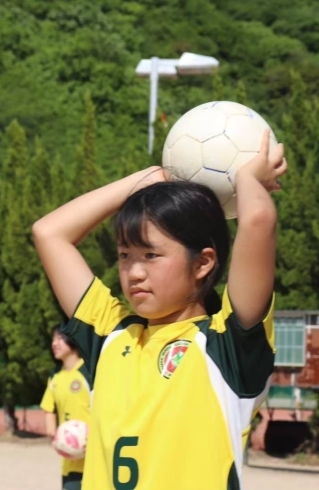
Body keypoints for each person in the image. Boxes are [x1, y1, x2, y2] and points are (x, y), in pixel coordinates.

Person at [32, 130, 286, 490]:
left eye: (151, 255)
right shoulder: (110, 334)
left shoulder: (227, 346)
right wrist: (145, 180)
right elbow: (49, 233)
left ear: (203, 263)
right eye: (124, 256)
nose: (134, 272)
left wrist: (246, 178)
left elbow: (258, 221)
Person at [40, 322, 91, 490]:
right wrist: (54, 436)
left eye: (59, 338)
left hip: (95, 459)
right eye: (53, 339)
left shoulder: (89, 372)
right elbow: (49, 409)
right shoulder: (55, 377)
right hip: (70, 461)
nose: (54, 344)